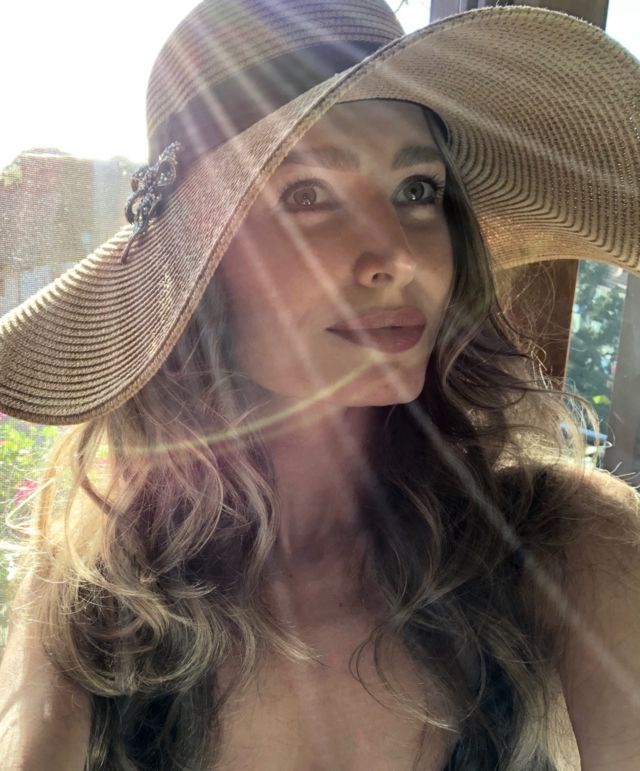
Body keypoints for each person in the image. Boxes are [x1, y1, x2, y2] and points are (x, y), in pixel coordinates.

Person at [0, 1, 639, 769]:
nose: (397, 255)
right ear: (201, 274)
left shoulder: (565, 540)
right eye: (307, 196)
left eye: (417, 188)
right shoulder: (98, 591)